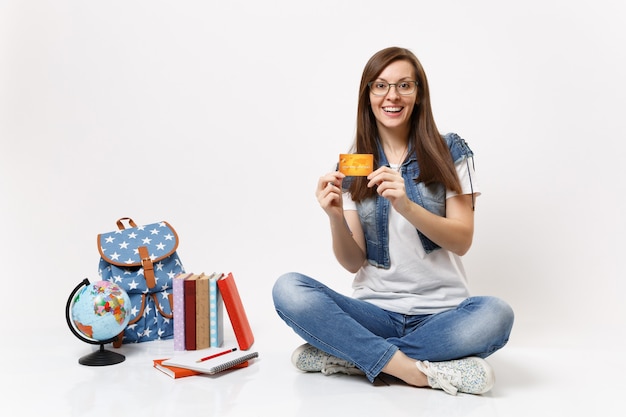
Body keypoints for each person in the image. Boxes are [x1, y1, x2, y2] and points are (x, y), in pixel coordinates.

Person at [272, 46, 514, 395]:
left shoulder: (451, 152)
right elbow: (353, 261)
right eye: (381, 85)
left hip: (441, 315)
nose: (392, 96)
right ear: (367, 94)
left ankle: (353, 357)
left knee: (496, 314)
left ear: (418, 94)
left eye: (404, 85)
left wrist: (406, 206)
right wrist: (334, 216)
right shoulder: (354, 163)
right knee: (288, 288)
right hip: (374, 314)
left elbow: (462, 240)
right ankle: (418, 370)